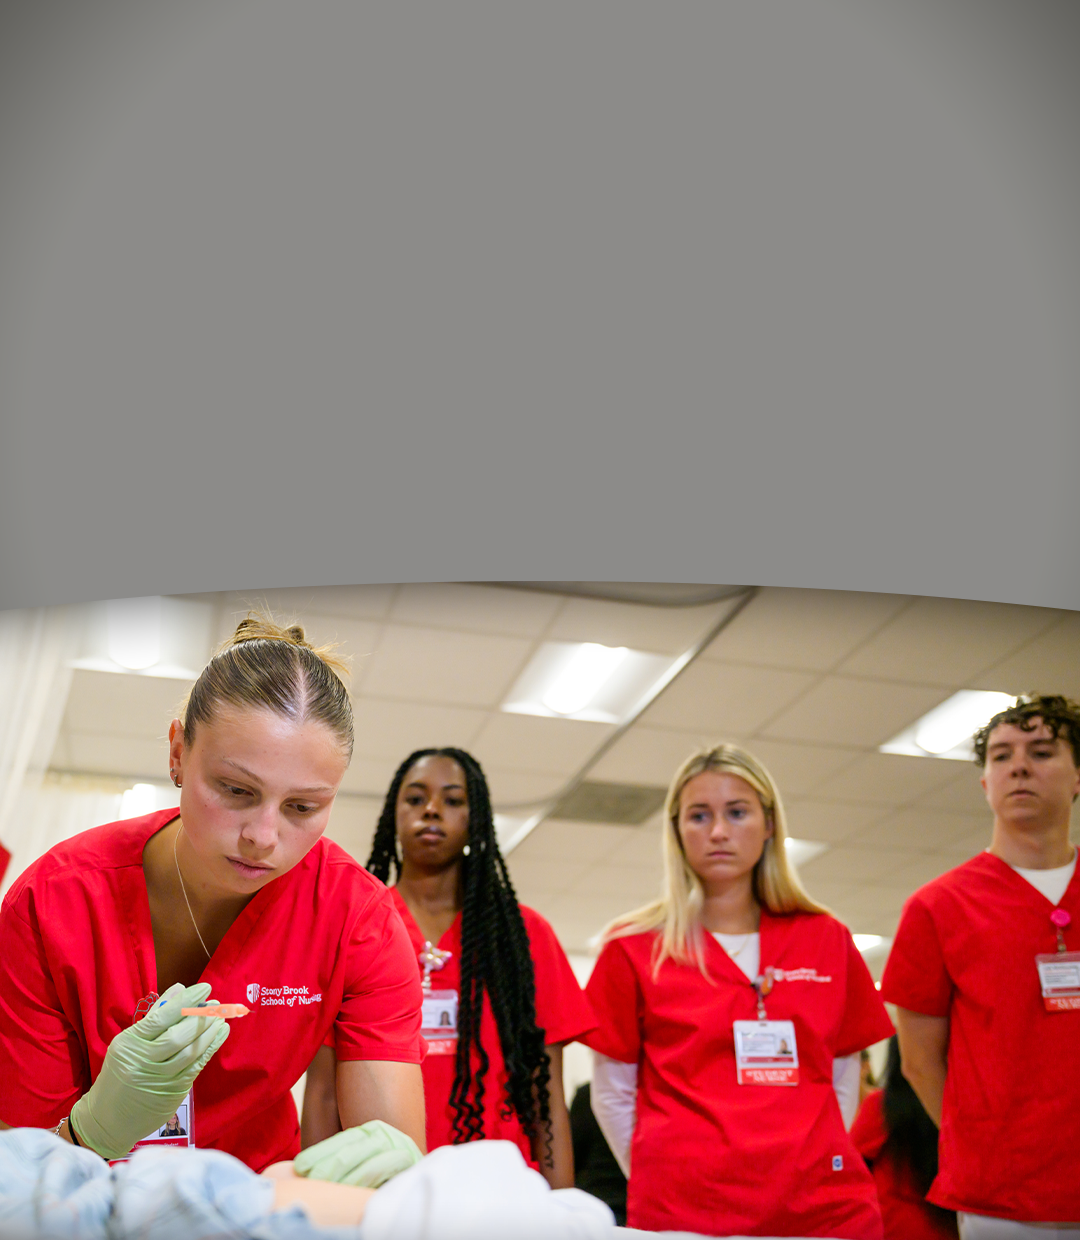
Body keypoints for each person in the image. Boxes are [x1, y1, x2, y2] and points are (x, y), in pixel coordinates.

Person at [0, 615, 426, 1176]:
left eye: (303, 807)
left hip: (257, 1202)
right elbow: (23, 1176)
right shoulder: (53, 900)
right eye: (236, 790)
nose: (263, 837)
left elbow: (391, 1156)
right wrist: (88, 1131)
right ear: (178, 753)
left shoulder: (357, 917)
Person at [584, 743, 895, 1239]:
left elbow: (842, 1076)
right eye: (699, 816)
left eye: (737, 812)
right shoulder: (635, 947)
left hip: (821, 1208)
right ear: (677, 830)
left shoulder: (825, 937)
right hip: (685, 1209)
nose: (719, 832)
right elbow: (612, 1094)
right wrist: (666, 1174)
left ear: (769, 823)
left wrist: (806, 1156)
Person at [301, 748, 596, 1188]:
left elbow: (546, 1096)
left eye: (454, 801)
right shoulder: (356, 928)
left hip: (504, 1195)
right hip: (384, 1194)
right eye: (415, 799)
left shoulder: (526, 937)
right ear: (392, 814)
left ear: (475, 820)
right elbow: (323, 1091)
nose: (433, 810)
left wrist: (562, 1209)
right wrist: (316, 1206)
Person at [881, 694, 1080, 1238]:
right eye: (1001, 756)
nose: (1018, 766)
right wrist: (983, 1144)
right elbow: (920, 1060)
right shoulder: (939, 906)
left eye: (1041, 752)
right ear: (985, 784)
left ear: (1078, 776)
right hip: (1001, 1194)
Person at [850, 1036, 958, 1240]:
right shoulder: (958, 1109)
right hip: (950, 1227)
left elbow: (852, 1169)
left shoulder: (880, 1106)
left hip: (892, 1226)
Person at [569, 1082, 627, 1226]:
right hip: (603, 1210)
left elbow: (571, 1161)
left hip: (592, 1210)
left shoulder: (589, 1094)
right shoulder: (667, 1102)